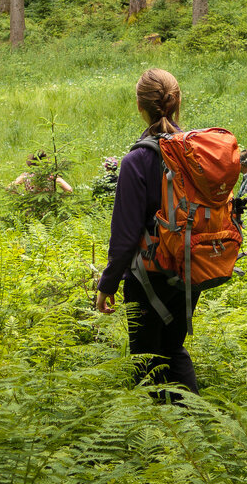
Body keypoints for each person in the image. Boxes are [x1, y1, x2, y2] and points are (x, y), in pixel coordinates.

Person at [94, 68, 199, 402]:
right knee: (173, 348)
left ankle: (154, 440)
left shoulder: (137, 160)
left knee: (145, 361)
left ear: (140, 106)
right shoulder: (196, 152)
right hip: (190, 270)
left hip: (148, 275)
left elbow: (125, 237)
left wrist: (106, 285)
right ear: (178, 102)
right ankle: (198, 434)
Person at [9, 152, 75, 194]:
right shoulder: (52, 176)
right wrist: (58, 198)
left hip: (31, 211)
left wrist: (21, 197)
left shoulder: (25, 176)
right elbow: (69, 190)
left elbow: (9, 188)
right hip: (50, 210)